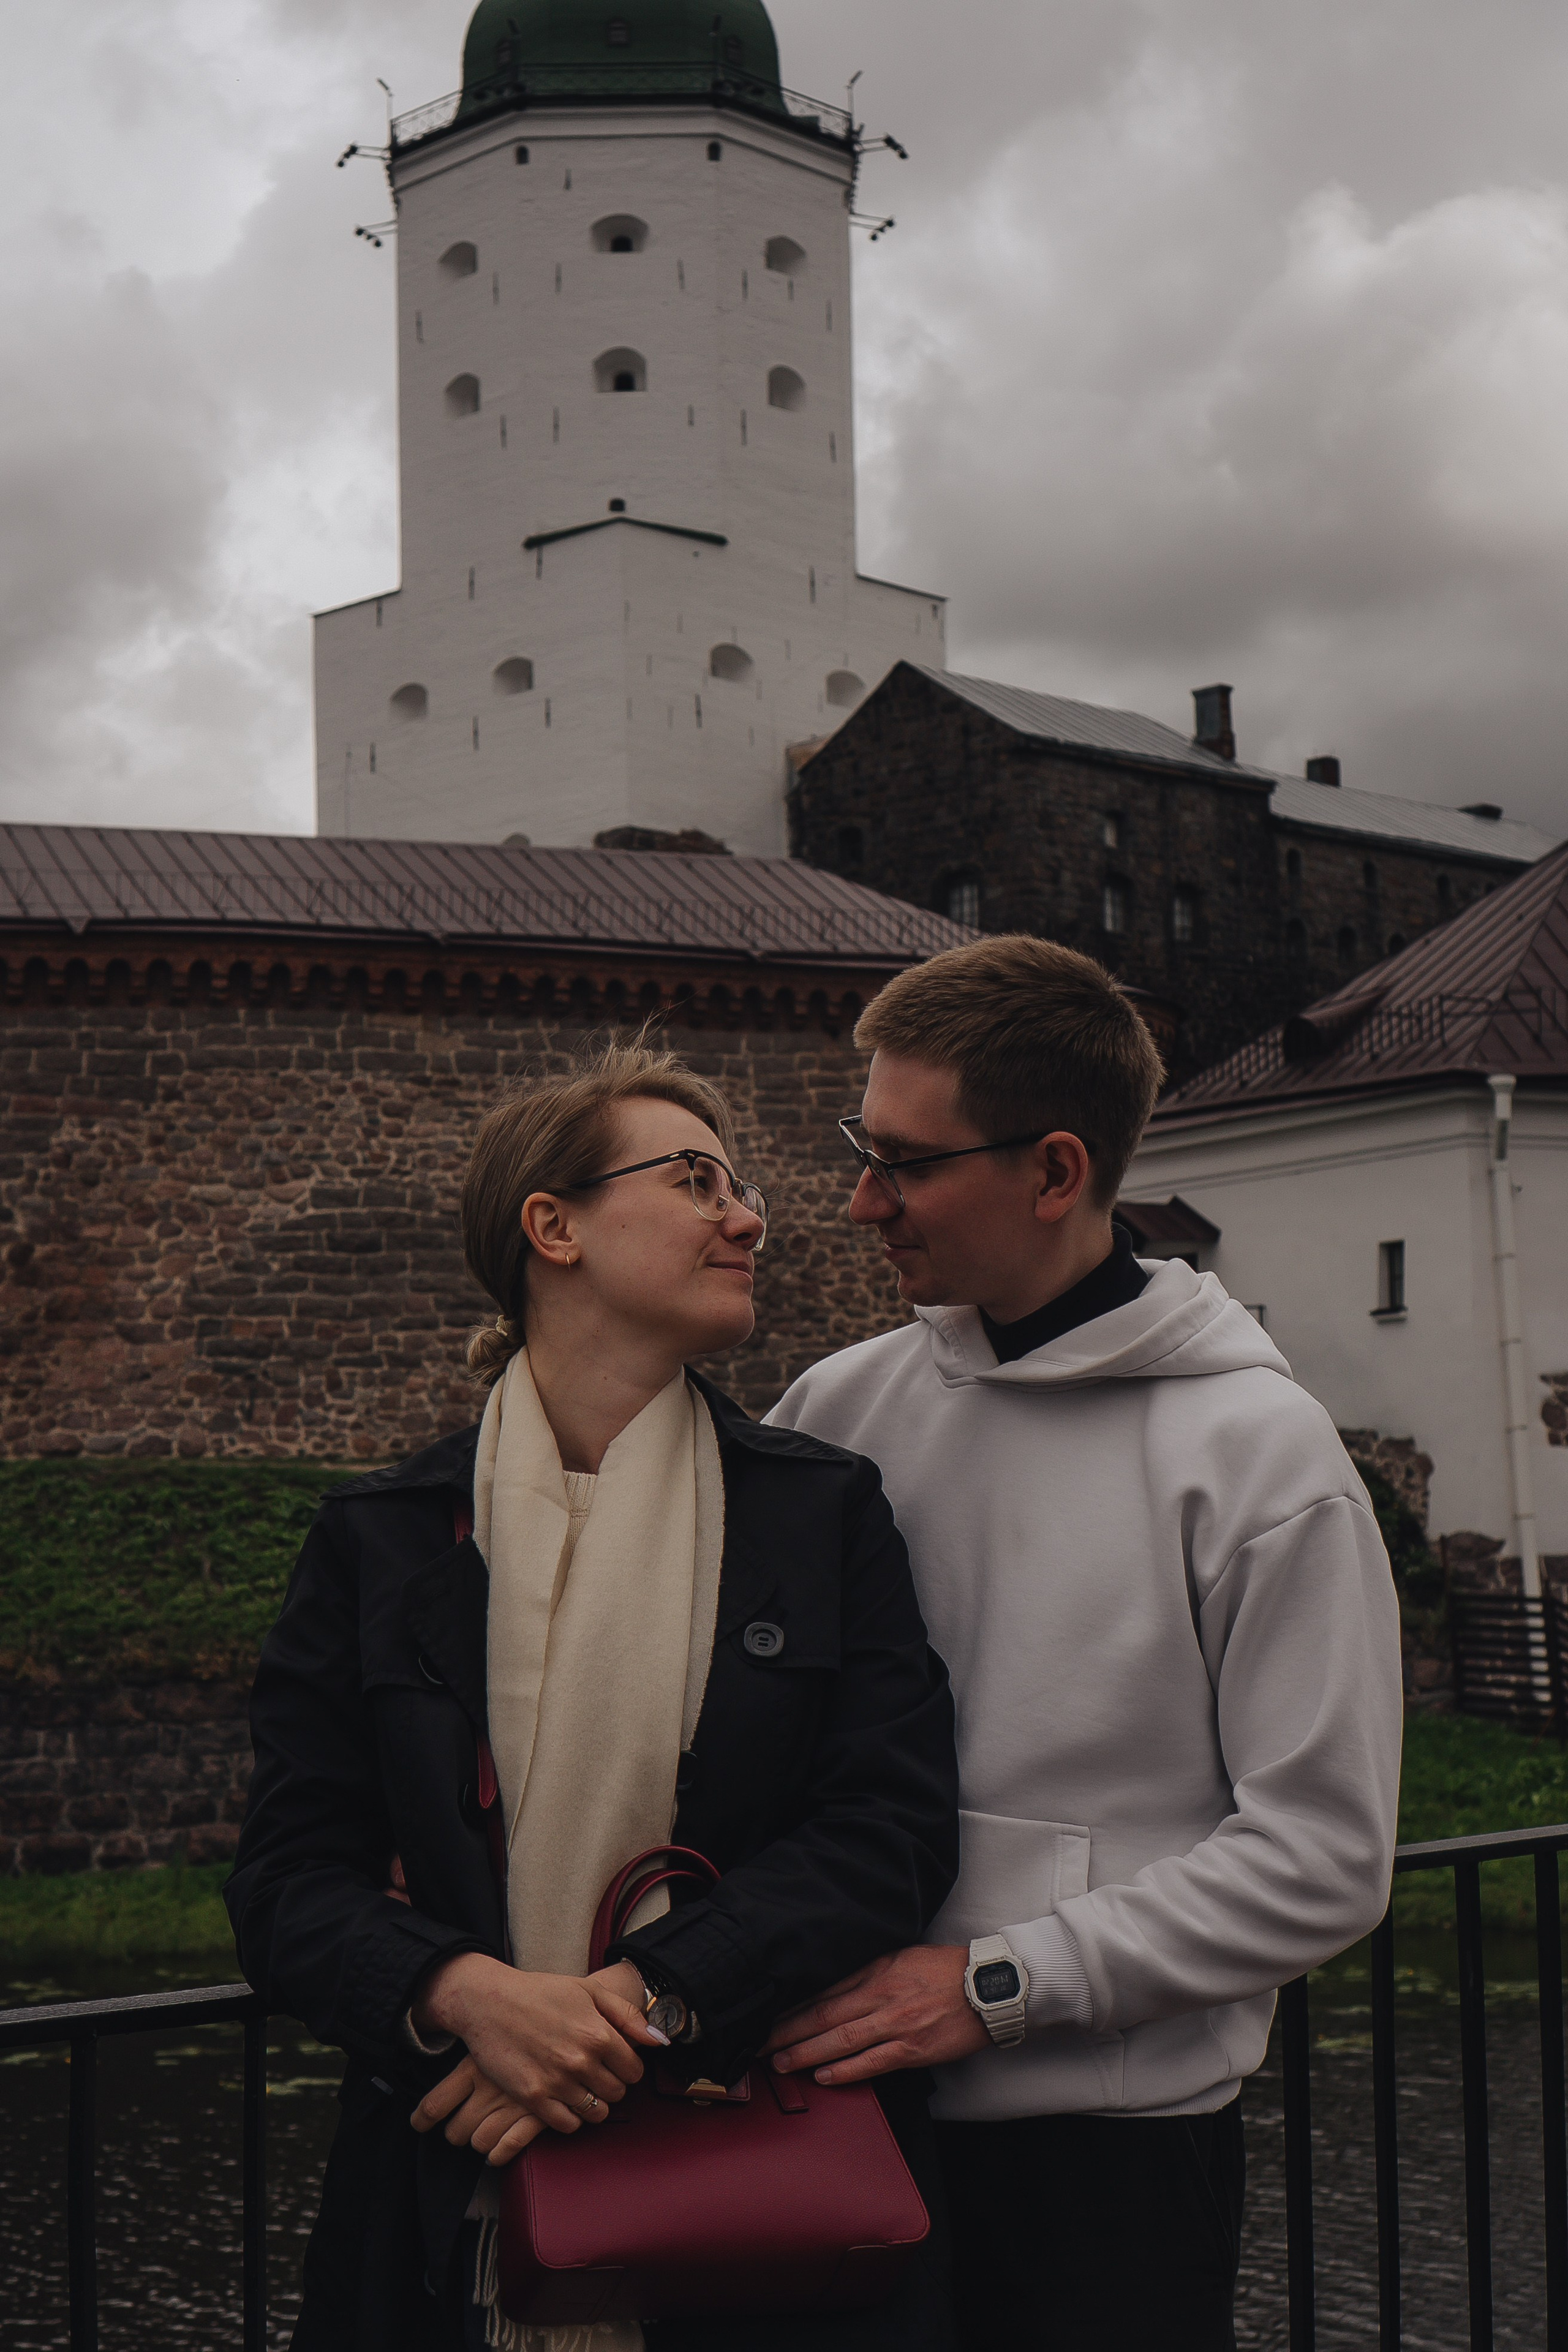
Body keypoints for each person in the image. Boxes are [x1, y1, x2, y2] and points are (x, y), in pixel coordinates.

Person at [225, 1041, 960, 2352]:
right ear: (552, 1228)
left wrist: (636, 2008)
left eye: (739, 1187)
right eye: (694, 1182)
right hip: (432, 2228)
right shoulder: (381, 1538)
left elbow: (887, 1834)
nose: (746, 1218)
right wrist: (461, 1996)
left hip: (746, 2216)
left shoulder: (819, 1511)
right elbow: (286, 1880)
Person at [765, 936, 1404, 2352]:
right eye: (862, 1151)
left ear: (1054, 1172)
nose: (861, 1201)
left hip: (1108, 2172)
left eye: (904, 1164)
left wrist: (999, 1986)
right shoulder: (833, 1408)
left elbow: (1321, 1858)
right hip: (825, 2115)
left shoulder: (1259, 1455)